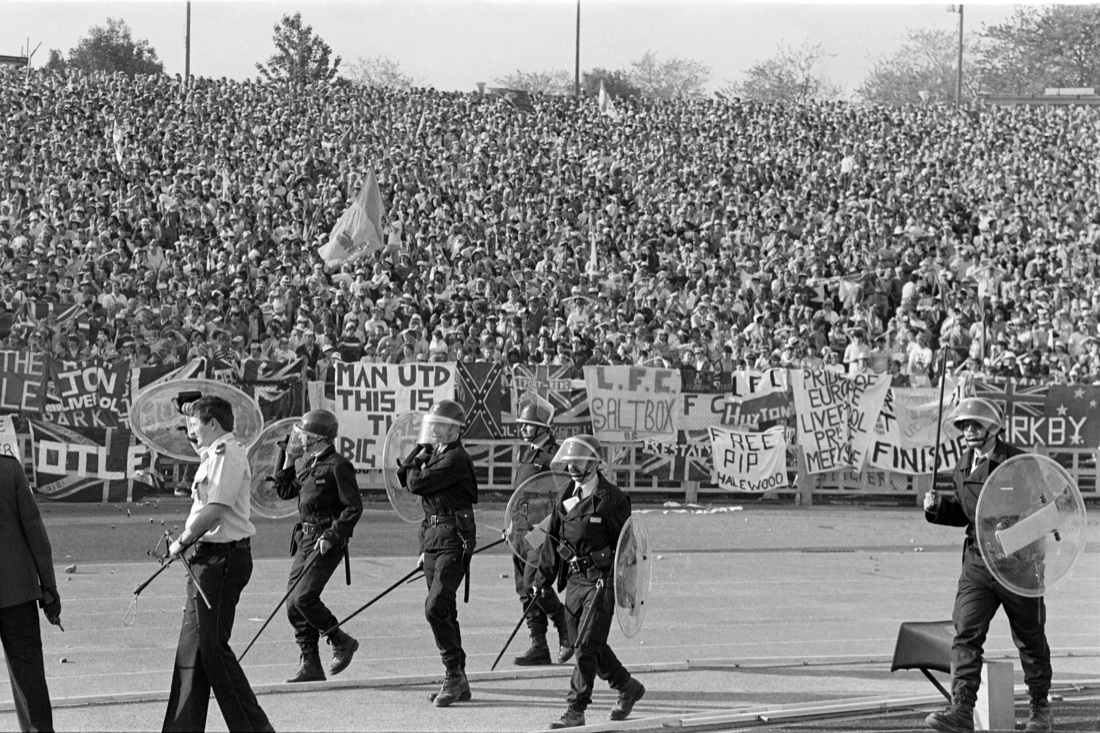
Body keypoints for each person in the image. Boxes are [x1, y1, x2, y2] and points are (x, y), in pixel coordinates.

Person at [923, 397, 1052, 733]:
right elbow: (970, 516)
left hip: (1019, 565)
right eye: (964, 425)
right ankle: (962, 710)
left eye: (975, 424)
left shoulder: (1020, 463)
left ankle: (1040, 709)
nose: (968, 430)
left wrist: (1015, 535)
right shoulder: (962, 466)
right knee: (966, 634)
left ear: (994, 428)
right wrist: (938, 507)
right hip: (978, 564)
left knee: (1030, 639)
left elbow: (1047, 514)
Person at [162, 395, 274, 733]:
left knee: (211, 649)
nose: (190, 433)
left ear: (213, 423)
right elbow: (206, 497)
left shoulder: (227, 454)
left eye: (194, 426)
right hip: (208, 559)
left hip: (223, 560)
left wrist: (182, 540)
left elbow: (216, 509)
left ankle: (255, 728)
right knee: (192, 649)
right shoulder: (213, 455)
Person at [532, 435, 645, 729]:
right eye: (569, 460)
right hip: (575, 580)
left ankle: (576, 708)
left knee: (584, 645)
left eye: (579, 461)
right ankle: (627, 686)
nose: (572, 466)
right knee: (586, 641)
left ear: (595, 464)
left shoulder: (612, 500)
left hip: (602, 581)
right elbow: (552, 541)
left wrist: (627, 590)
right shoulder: (564, 497)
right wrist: (541, 580)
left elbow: (628, 548)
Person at [397, 399, 478, 707]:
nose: (433, 430)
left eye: (439, 425)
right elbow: (405, 479)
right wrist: (423, 549)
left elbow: (415, 482)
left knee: (436, 607)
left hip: (454, 538)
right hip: (433, 537)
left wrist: (417, 456)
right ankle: (458, 678)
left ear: (455, 429)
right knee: (446, 609)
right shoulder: (435, 454)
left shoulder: (455, 458)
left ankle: (454, 674)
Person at [273, 409, 363, 683]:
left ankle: (340, 640)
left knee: (304, 597)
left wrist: (333, 536)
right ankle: (310, 662)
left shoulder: (337, 465)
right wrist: (287, 457)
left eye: (303, 436)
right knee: (292, 604)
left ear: (317, 438)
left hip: (326, 541)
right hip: (305, 539)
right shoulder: (310, 463)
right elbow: (285, 490)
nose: (299, 439)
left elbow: (353, 507)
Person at [0, 452, 60, 733]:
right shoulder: (10, 469)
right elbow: (34, 531)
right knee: (30, 680)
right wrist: (49, 587)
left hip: (17, 591)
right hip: (18, 592)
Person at [509, 402, 572, 666]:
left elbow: (566, 496)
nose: (522, 428)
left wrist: (548, 528)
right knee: (524, 588)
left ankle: (564, 626)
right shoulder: (527, 453)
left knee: (536, 583)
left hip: (541, 532)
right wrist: (511, 525)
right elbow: (520, 493)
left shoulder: (554, 457)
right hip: (520, 531)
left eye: (528, 425)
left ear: (542, 428)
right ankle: (539, 644)